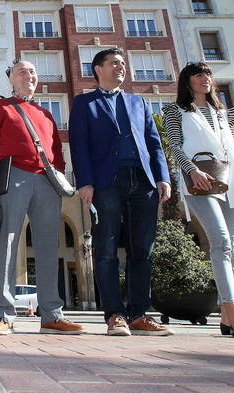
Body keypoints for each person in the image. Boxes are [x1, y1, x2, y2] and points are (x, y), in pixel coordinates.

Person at [69, 48, 173, 336]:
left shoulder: (137, 102)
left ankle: (139, 314)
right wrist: (85, 182)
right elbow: (79, 146)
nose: (121, 67)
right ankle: (115, 314)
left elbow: (154, 143)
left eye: (123, 63)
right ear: (98, 69)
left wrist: (162, 177)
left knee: (143, 250)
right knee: (105, 250)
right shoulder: (84, 103)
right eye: (114, 63)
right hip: (106, 183)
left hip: (143, 182)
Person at [0, 61, 85, 336]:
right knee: (8, 245)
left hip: (46, 183)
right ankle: (4, 316)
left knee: (49, 247)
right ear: (11, 79)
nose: (30, 76)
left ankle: (51, 316)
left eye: (34, 72)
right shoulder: (0, 108)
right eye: (23, 71)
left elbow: (57, 153)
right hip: (12, 177)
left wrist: (59, 176)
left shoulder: (46, 114)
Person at [162, 62, 234, 338]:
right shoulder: (175, 111)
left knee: (231, 247)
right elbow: (175, 144)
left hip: (232, 182)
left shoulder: (223, 113)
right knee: (219, 240)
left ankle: (225, 316)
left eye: (207, 74)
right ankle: (233, 313)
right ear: (187, 81)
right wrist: (192, 169)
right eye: (198, 75)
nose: (205, 79)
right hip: (199, 182)